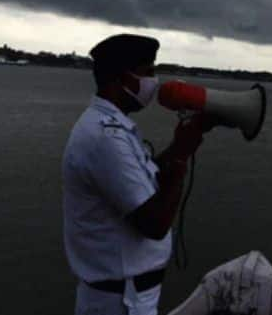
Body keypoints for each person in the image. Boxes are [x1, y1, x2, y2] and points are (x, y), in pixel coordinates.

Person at [63, 34, 213, 315]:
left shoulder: (111, 128)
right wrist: (181, 157)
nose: (153, 83)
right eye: (148, 73)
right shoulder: (106, 138)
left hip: (127, 297)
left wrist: (179, 146)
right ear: (122, 78)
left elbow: (147, 180)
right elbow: (153, 224)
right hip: (121, 302)